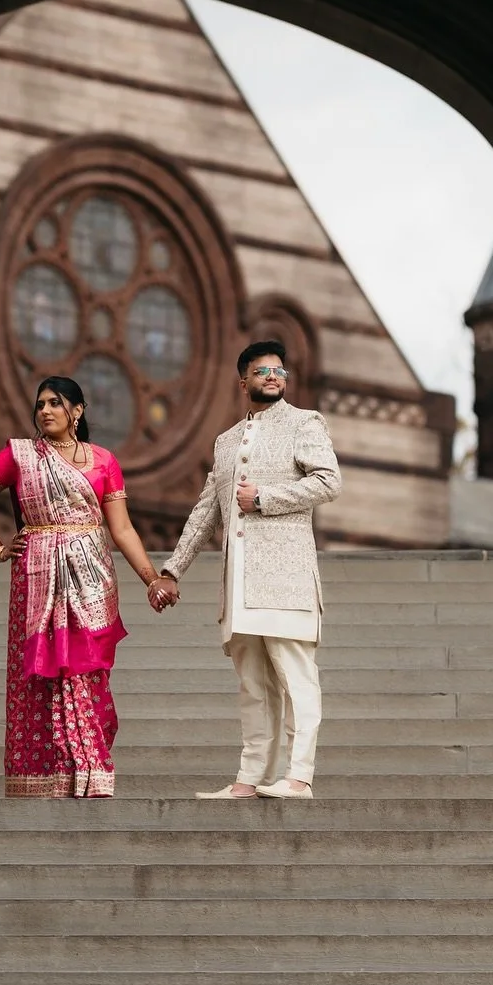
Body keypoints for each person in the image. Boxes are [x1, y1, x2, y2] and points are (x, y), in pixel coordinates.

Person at [0, 374, 173, 798]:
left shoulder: (103, 462)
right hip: (36, 576)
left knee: (86, 672)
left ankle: (90, 770)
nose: (45, 411)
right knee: (37, 678)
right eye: (40, 404)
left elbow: (123, 529)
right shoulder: (19, 456)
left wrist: (152, 578)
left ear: (77, 411)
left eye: (55, 403)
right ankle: (40, 777)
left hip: (91, 578)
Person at [149, 340, 340, 800]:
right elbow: (206, 511)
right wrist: (173, 568)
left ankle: (298, 777)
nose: (273, 376)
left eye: (279, 370)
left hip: (286, 576)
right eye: (262, 371)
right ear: (244, 381)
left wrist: (266, 498)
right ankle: (250, 778)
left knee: (296, 679)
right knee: (253, 685)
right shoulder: (226, 441)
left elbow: (329, 481)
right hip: (239, 583)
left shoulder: (304, 422)